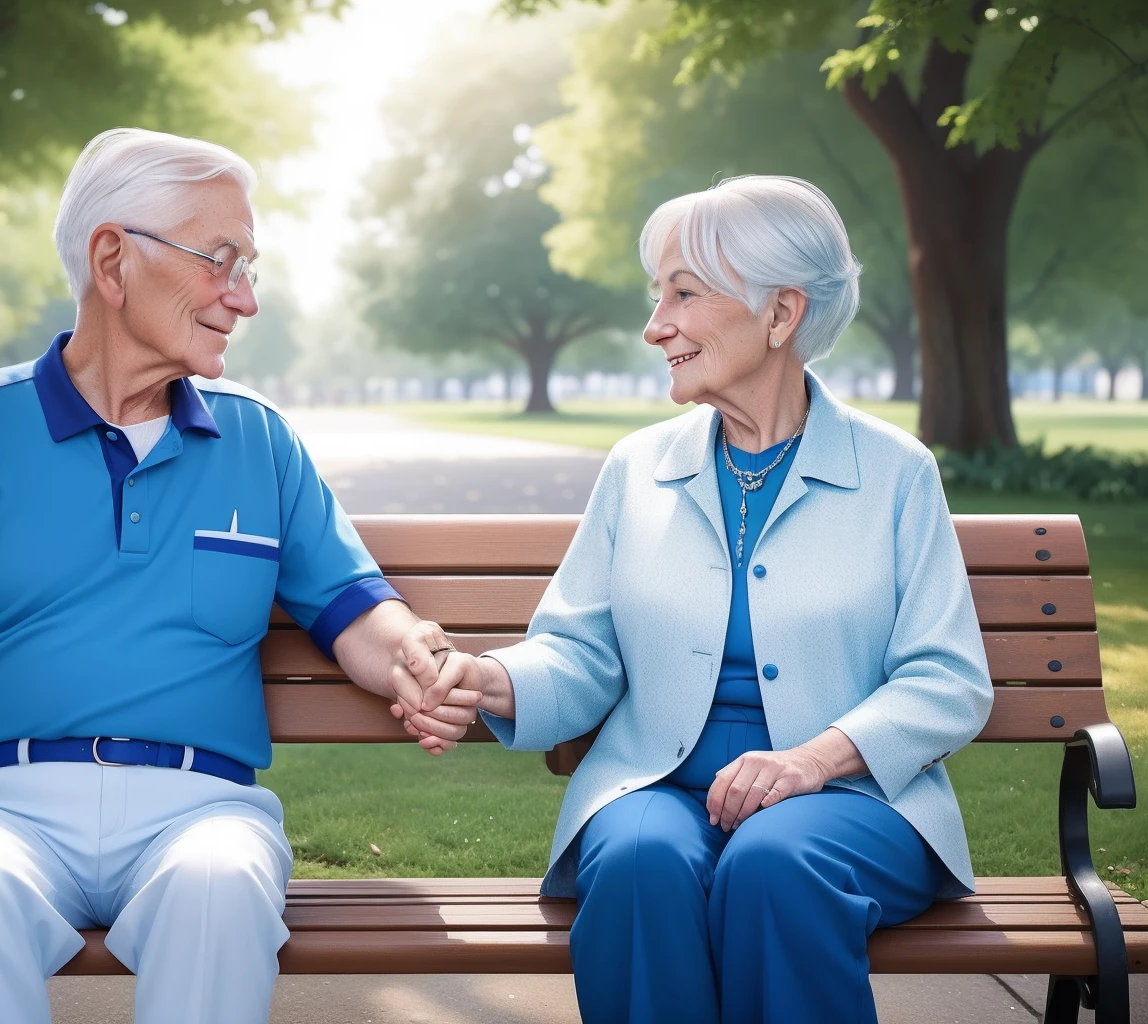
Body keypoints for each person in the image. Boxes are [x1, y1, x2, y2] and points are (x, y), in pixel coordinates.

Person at [0, 128, 477, 1024]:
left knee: (222, 888)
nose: (244, 298)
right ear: (113, 258)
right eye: (222, 260)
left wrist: (421, 656)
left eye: (249, 267)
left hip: (201, 809)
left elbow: (355, 610)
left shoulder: (260, 440)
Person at [394, 175, 993, 1023]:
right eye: (656, 296)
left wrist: (808, 762)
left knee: (776, 864)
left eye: (684, 293)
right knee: (639, 860)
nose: (655, 326)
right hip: (657, 783)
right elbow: (581, 653)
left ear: (781, 315)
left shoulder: (895, 473)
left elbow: (947, 680)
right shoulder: (638, 467)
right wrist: (486, 679)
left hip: (851, 800)